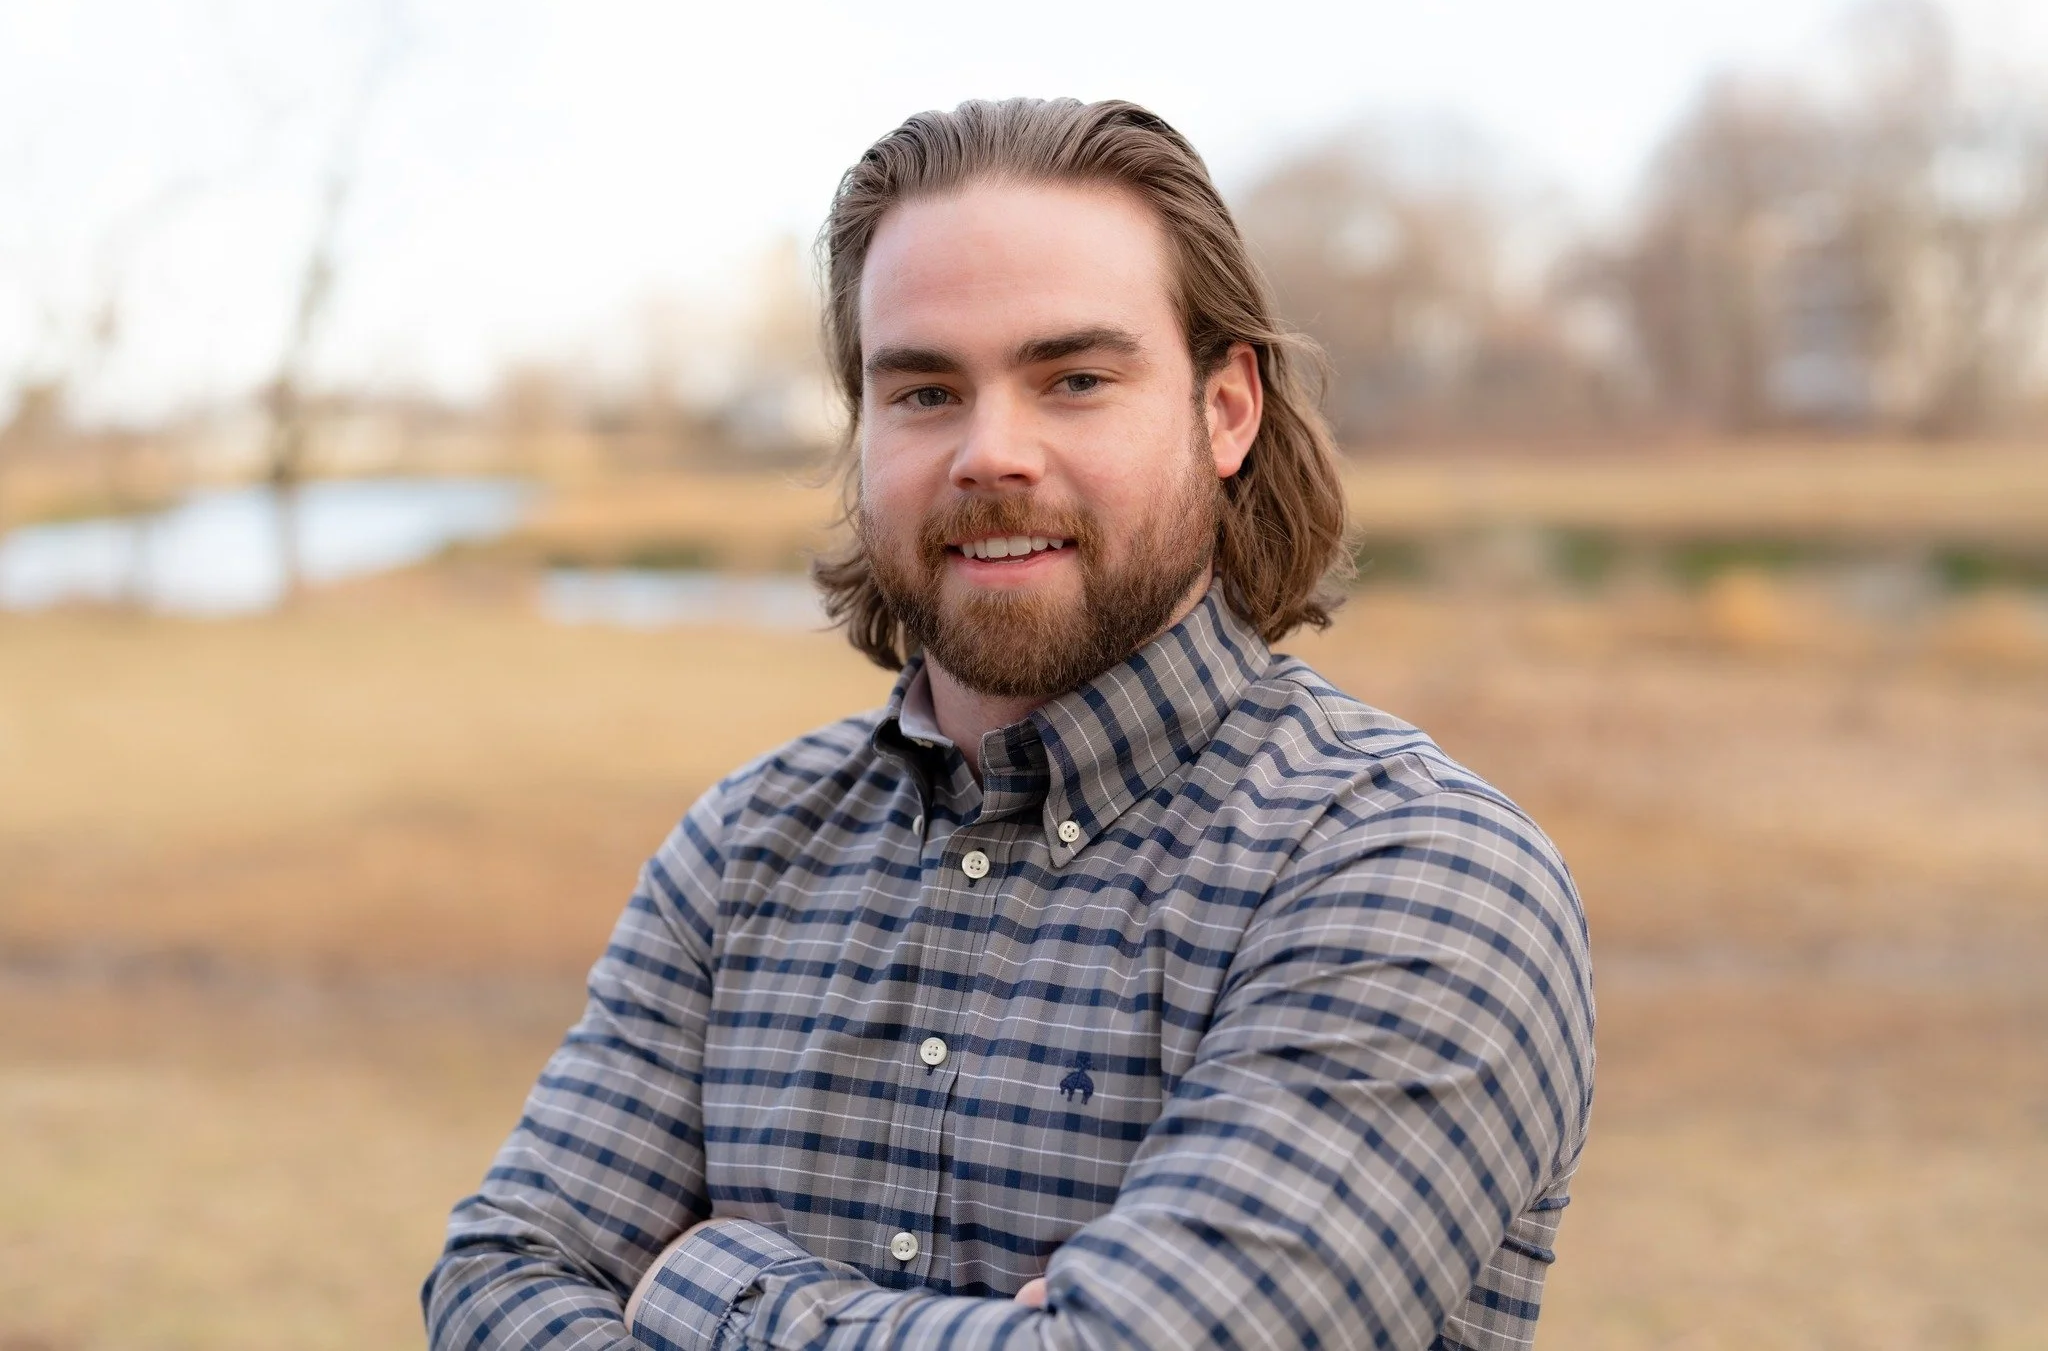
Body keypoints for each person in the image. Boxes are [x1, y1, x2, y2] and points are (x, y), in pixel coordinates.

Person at [423, 97, 1595, 1351]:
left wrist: (705, 1291)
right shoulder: (742, 851)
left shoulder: (1415, 875)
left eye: (1074, 379)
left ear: (1226, 411)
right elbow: (499, 1281)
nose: (992, 454)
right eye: (924, 392)